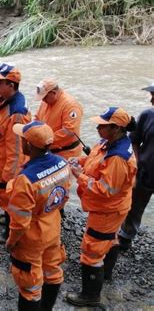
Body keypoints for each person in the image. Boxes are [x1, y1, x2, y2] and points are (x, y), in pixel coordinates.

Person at [66, 107, 137, 307]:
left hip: (108, 209)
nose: (98, 127)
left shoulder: (117, 158)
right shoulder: (110, 143)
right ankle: (106, 273)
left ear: (115, 128)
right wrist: (79, 161)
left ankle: (90, 295)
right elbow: (94, 160)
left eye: (102, 125)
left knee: (91, 249)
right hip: (114, 208)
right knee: (111, 239)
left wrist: (79, 175)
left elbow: (105, 189)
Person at [6, 121, 71, 310]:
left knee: (30, 283)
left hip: (32, 238)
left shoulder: (25, 179)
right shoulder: (62, 163)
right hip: (53, 227)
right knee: (52, 271)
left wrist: (11, 242)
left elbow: (19, 222)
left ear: (30, 144)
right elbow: (64, 197)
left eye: (22, 139)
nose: (21, 142)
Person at [0, 63, 31, 244]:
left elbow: (17, 150)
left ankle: (10, 233)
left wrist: (9, 177)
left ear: (11, 85)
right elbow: (3, 131)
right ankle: (8, 219)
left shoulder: (16, 113)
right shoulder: (7, 103)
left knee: (10, 200)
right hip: (0, 163)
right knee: (6, 201)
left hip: (8, 168)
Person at [118, 83, 154, 249]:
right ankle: (126, 237)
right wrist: (137, 162)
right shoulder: (147, 115)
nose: (152, 98)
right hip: (145, 171)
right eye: (152, 94)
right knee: (135, 206)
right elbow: (134, 140)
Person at [34, 78, 84, 160]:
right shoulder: (46, 102)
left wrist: (45, 140)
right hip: (49, 151)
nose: (43, 100)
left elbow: (69, 131)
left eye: (44, 97)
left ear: (53, 93)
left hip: (67, 154)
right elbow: (37, 118)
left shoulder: (70, 105)